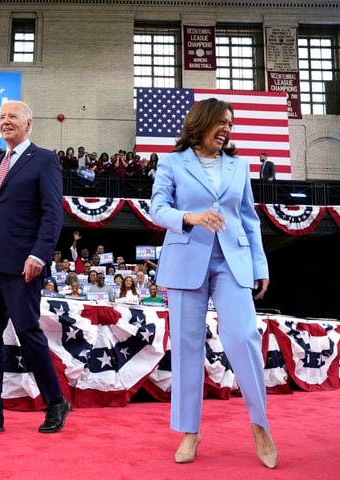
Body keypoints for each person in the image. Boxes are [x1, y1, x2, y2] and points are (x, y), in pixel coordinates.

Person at [150, 97, 276, 468]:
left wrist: (260, 264)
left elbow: (249, 219)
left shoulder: (239, 166)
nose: (227, 129)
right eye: (222, 122)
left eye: (231, 125)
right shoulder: (171, 163)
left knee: (243, 337)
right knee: (188, 349)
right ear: (202, 123)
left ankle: (260, 424)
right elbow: (158, 209)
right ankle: (190, 432)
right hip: (186, 260)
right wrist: (190, 216)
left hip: (232, 262)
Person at [0, 100, 70, 435]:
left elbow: (53, 214)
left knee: (28, 333)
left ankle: (55, 402)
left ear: (29, 123)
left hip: (24, 267)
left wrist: (39, 255)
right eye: (2, 117)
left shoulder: (45, 160)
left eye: (12, 117)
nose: (6, 122)